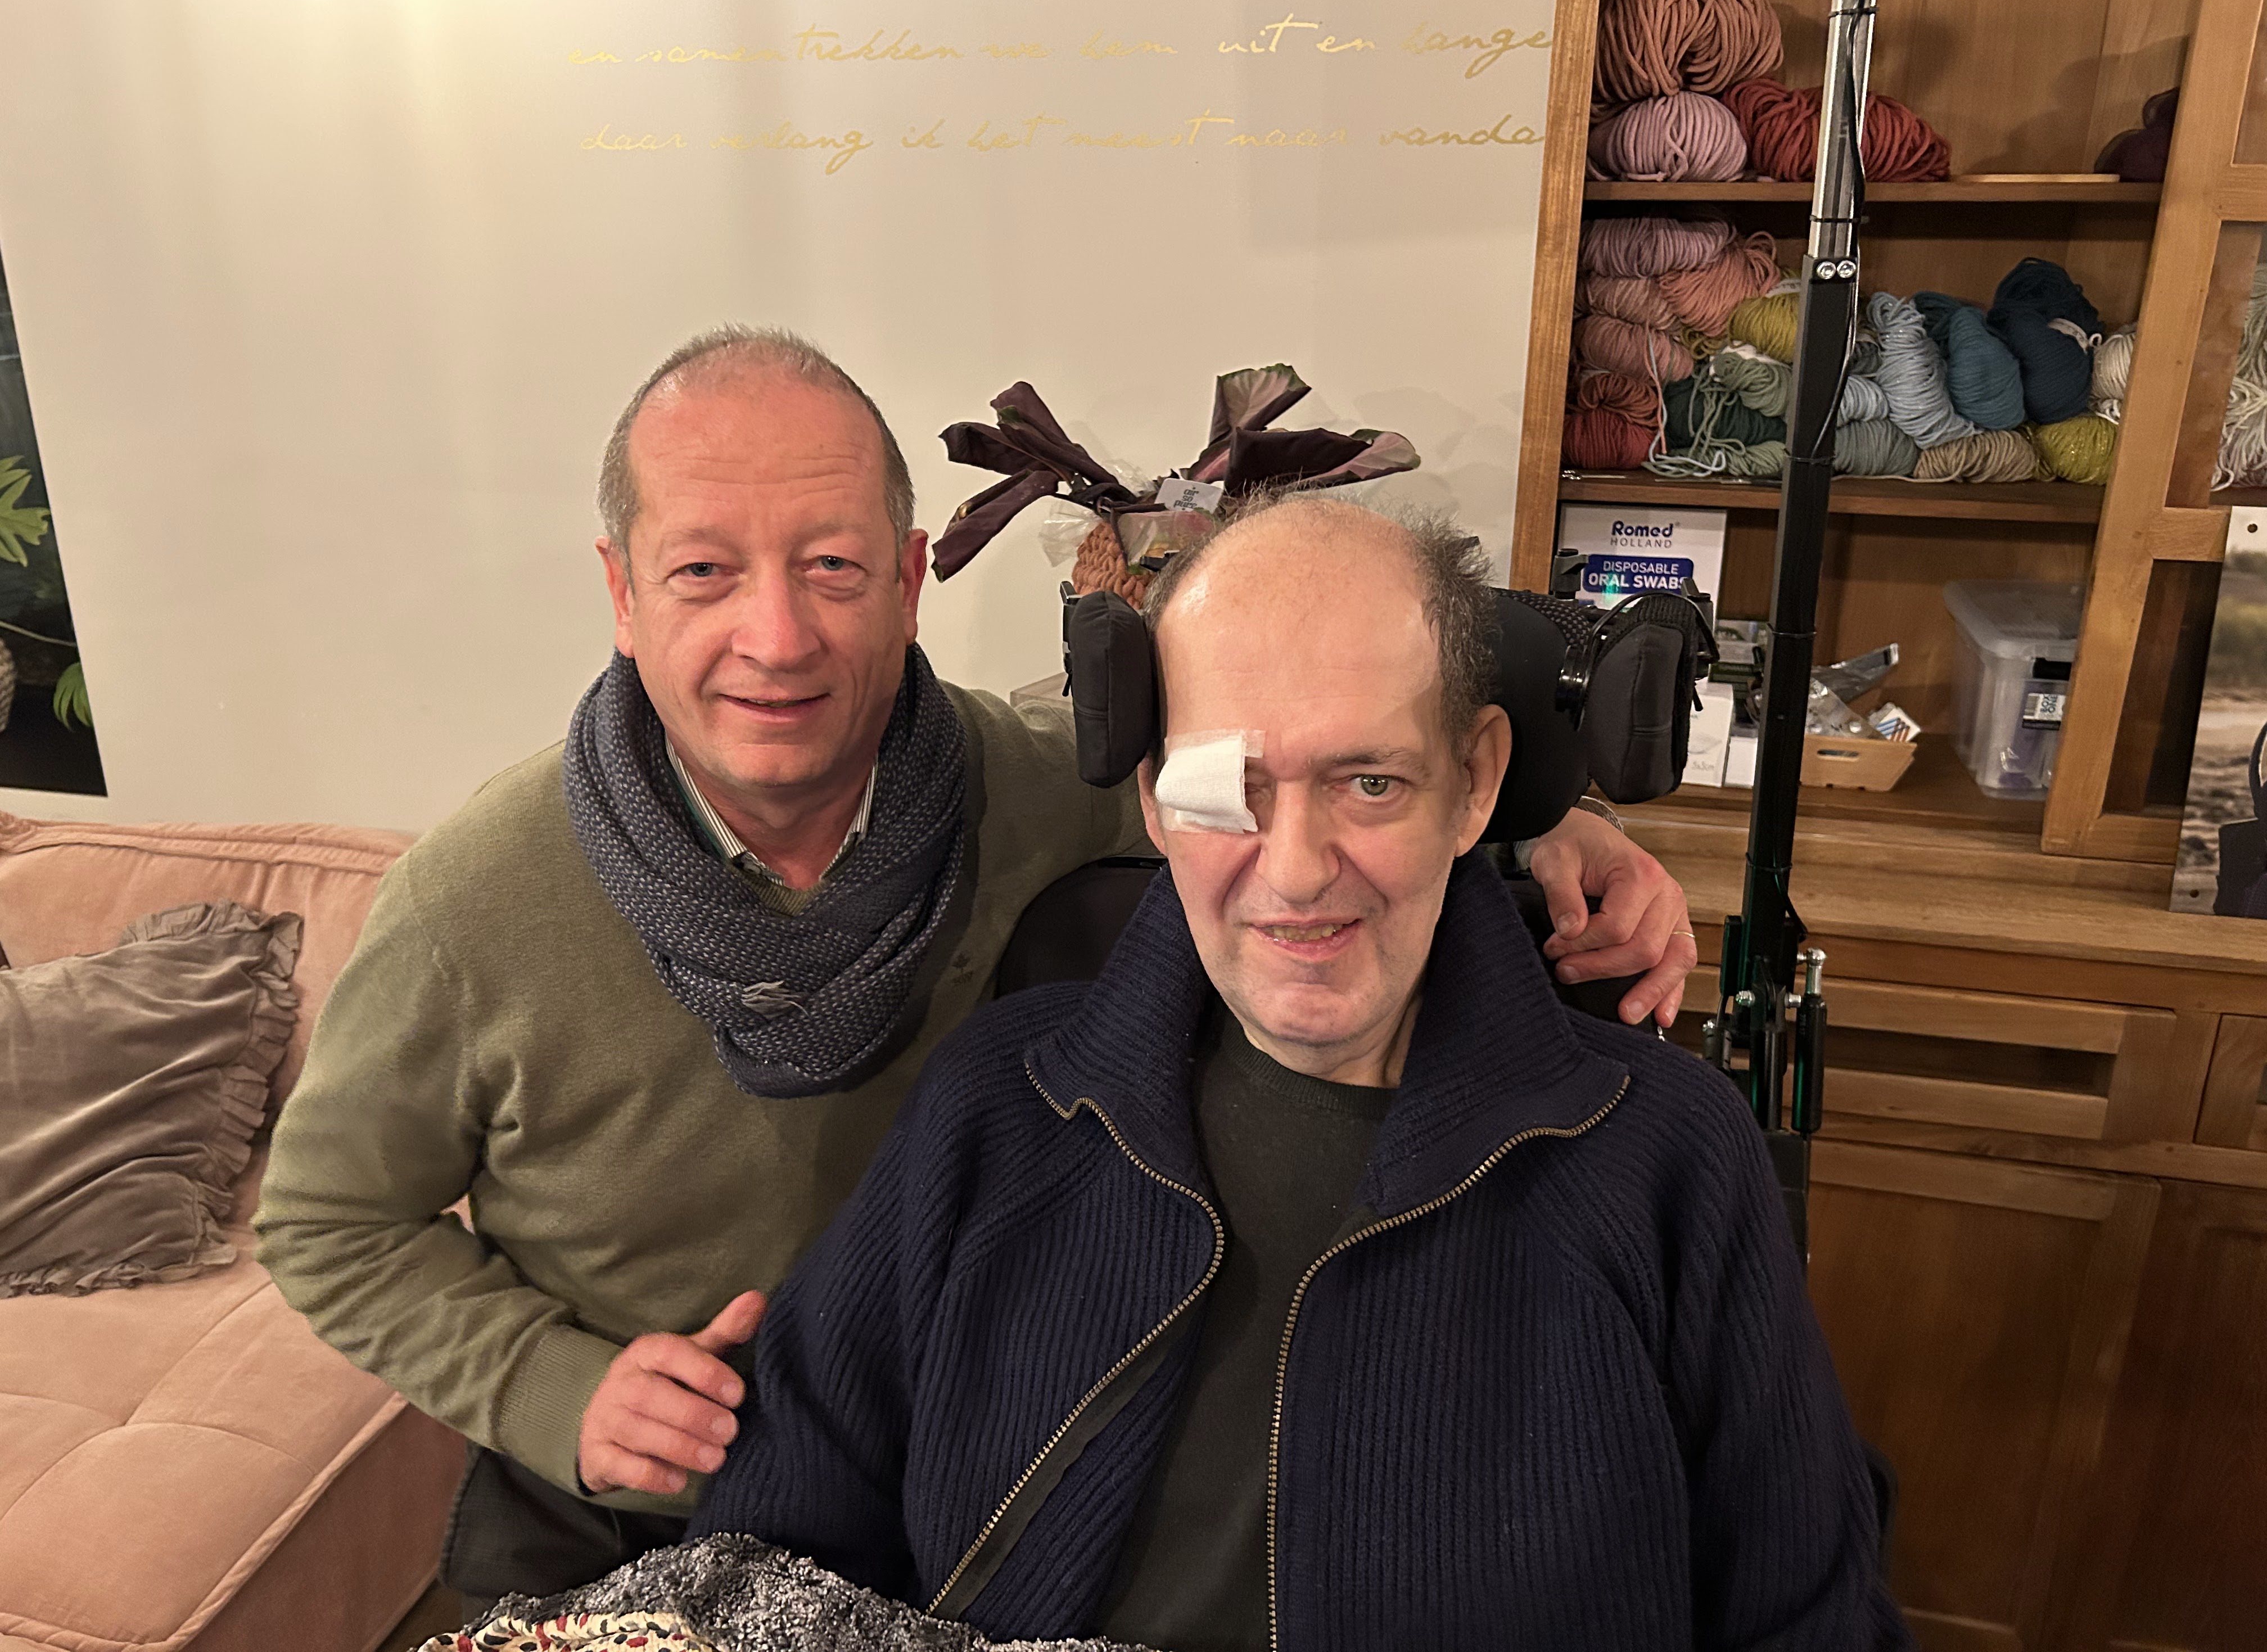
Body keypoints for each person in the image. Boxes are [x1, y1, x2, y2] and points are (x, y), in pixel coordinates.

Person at [252, 327, 1699, 1612]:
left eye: (832, 567)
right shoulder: (473, 905)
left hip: (947, 1475)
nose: (777, 637)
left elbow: (1274, 788)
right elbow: (327, 1223)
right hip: (635, 1501)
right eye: (704, 572)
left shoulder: (1033, 788)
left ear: (909, 582)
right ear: (623, 595)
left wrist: (1543, 826)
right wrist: (553, 1390)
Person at [691, 495, 1904, 1650]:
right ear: (1156, 796)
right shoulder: (996, 1107)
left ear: (1476, 784)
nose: (1295, 870)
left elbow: (1815, 1623)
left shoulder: (1668, 1160)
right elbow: (767, 1546)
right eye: (1229, 788)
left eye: (1370, 783)